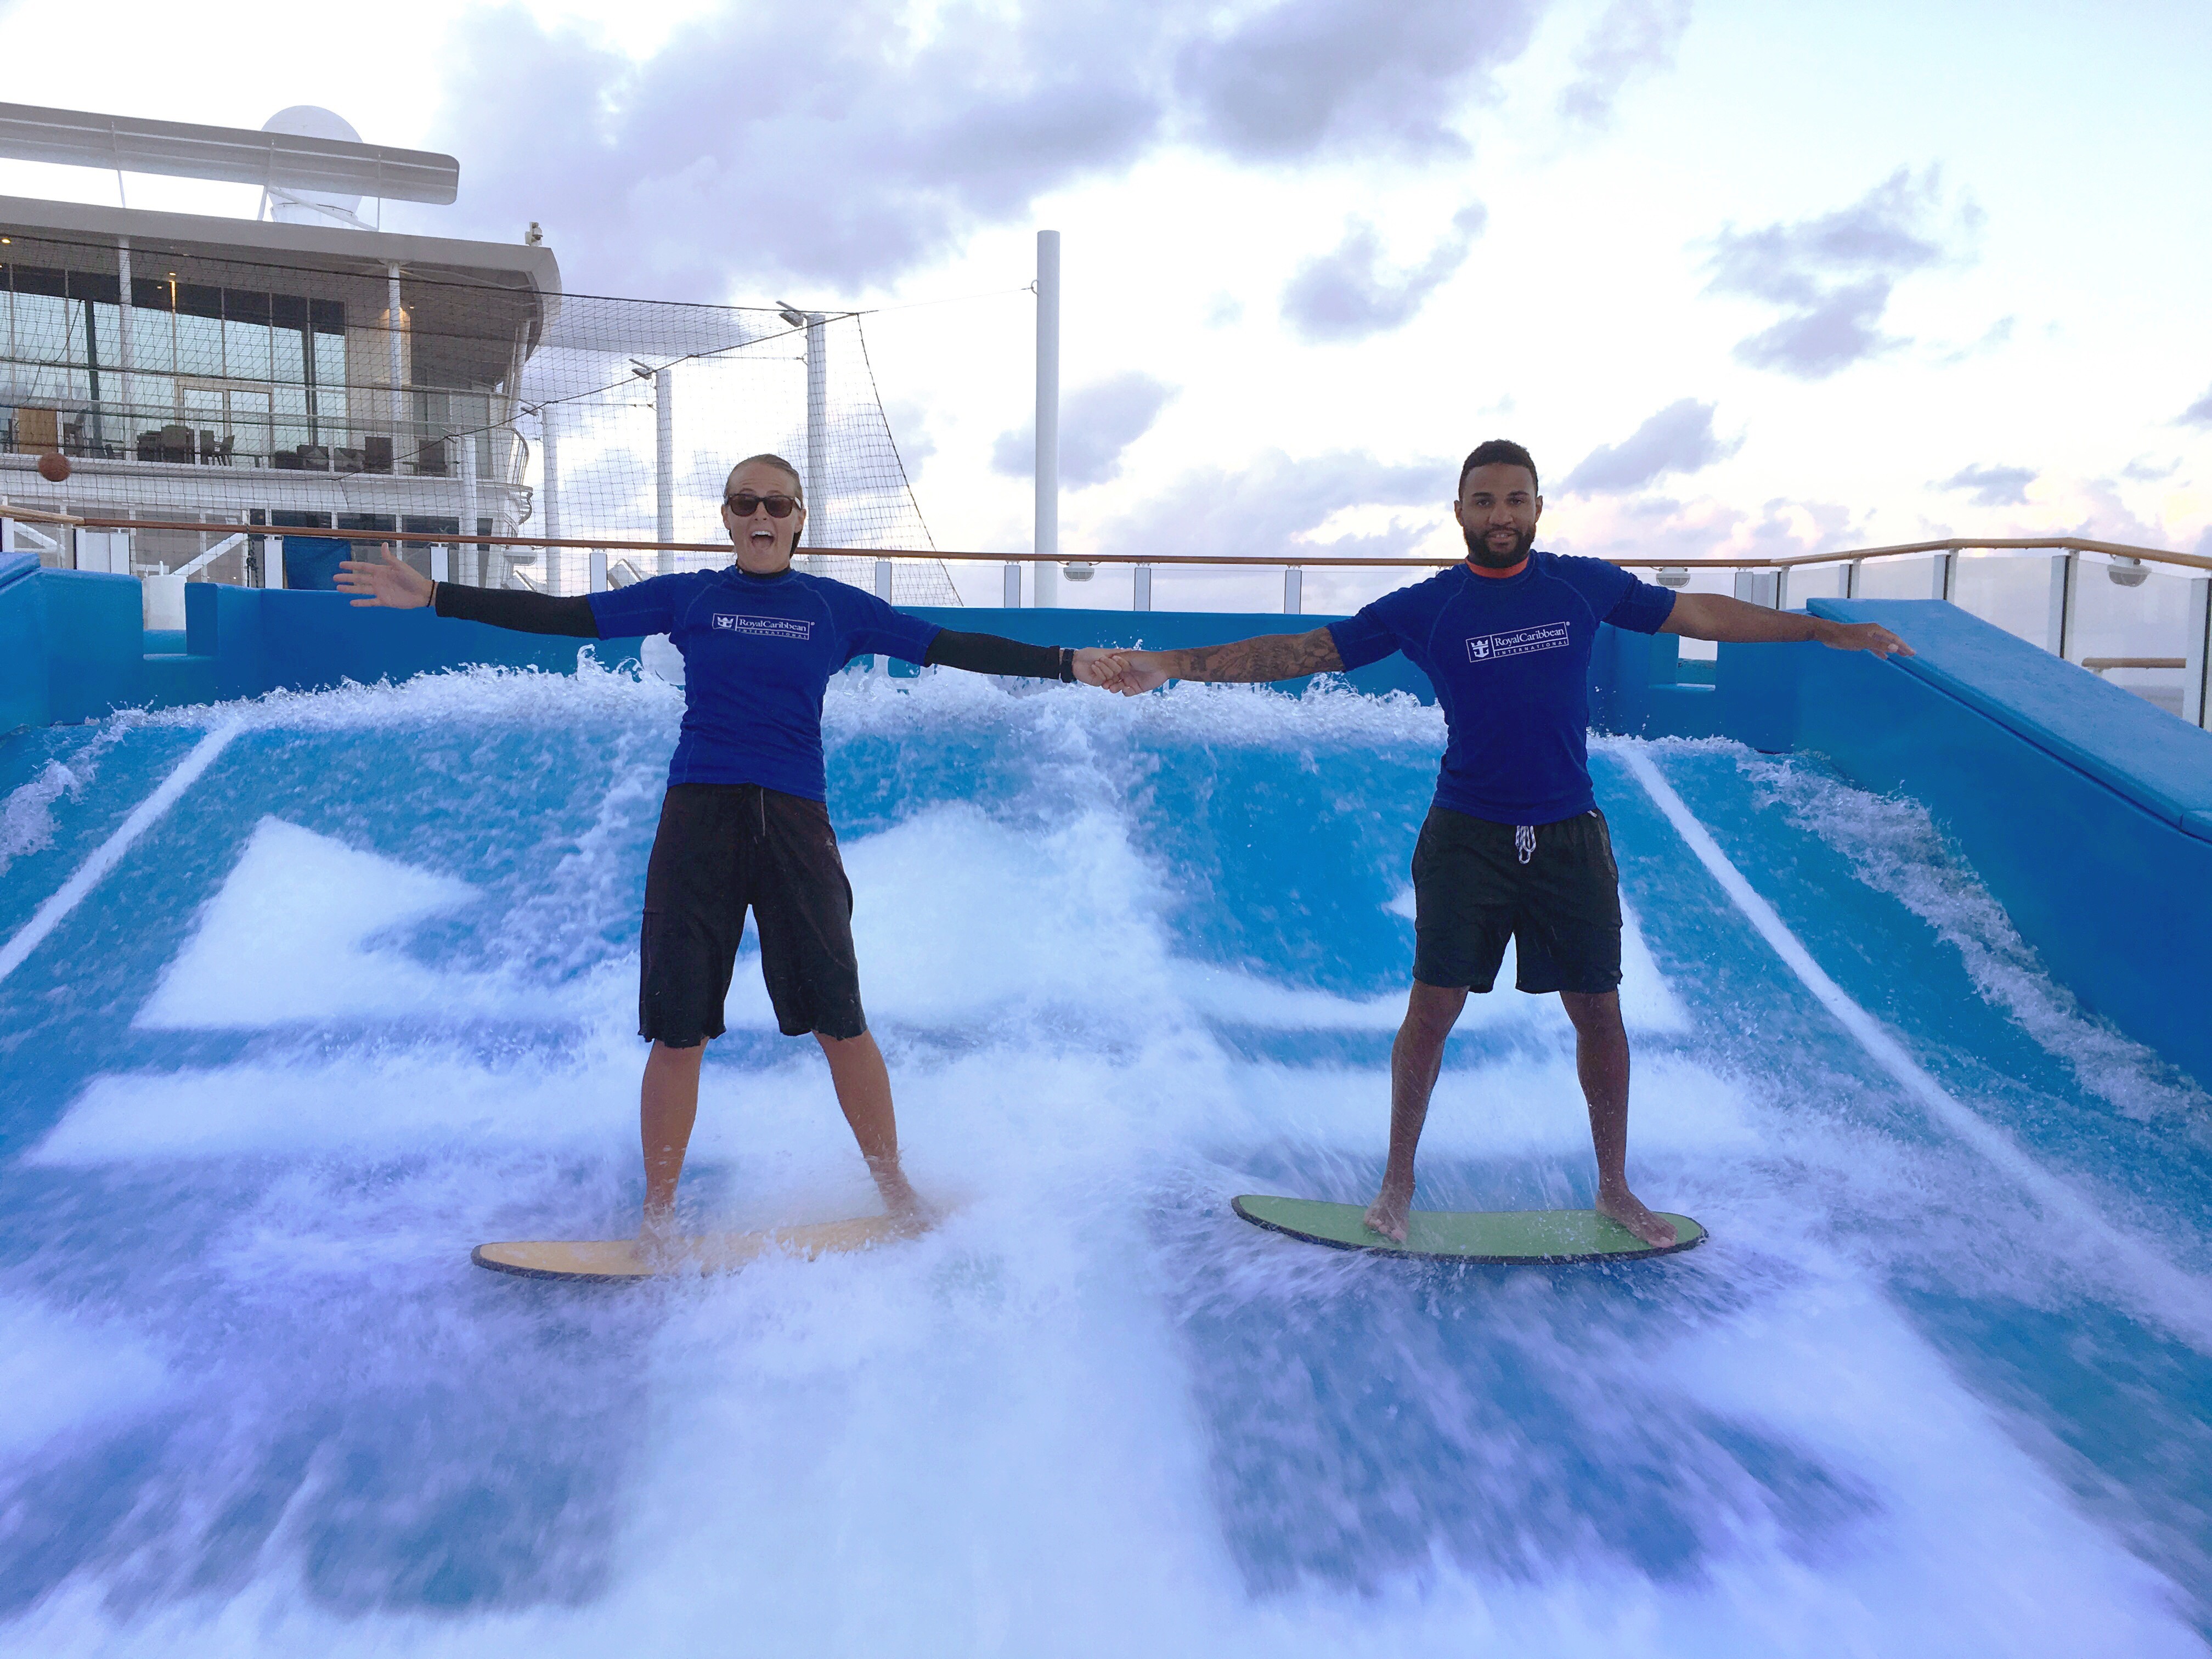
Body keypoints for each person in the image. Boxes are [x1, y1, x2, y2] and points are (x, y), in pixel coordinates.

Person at [1099, 439, 1912, 1246]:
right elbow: (1304, 652)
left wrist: (1816, 631)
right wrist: (1174, 663)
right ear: (1459, 512)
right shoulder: (1430, 606)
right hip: (1467, 837)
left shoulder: (1581, 585)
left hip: (1570, 834)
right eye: (1484, 501)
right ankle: (1397, 1181)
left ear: (1537, 508)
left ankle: (1616, 1187)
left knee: (1599, 1013)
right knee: (1433, 1010)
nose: (1500, 515)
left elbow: (1701, 613)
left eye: (1515, 499)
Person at [337, 454, 1121, 1240]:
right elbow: (564, 616)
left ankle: (898, 1196)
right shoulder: (692, 597)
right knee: (678, 1029)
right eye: (746, 502)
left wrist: (1066, 663)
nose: (762, 516)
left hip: (795, 823)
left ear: (799, 518)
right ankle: (659, 1220)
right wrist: (437, 596)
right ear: (726, 515)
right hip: (698, 820)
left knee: (840, 1021)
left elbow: (951, 643)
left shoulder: (835, 608)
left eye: (777, 504)